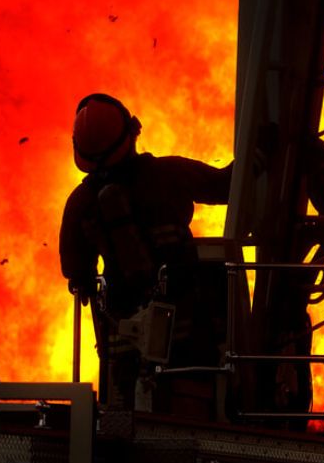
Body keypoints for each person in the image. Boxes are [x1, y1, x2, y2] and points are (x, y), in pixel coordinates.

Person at [59, 93, 231, 413]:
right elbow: (225, 186)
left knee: (123, 408)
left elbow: (76, 272)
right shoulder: (167, 175)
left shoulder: (81, 203)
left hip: (123, 342)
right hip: (190, 330)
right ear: (132, 133)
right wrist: (259, 154)